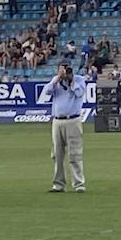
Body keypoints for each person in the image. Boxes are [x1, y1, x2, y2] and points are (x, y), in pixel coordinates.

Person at [41, 62, 87, 193]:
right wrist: (57, 78)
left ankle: (79, 184)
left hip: (73, 120)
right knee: (57, 154)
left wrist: (71, 80)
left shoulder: (78, 79)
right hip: (57, 121)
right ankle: (58, 184)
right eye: (62, 69)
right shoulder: (56, 82)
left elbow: (79, 93)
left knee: (75, 153)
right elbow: (47, 91)